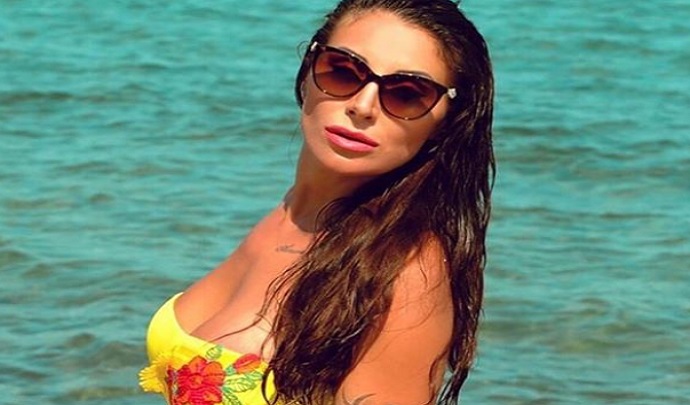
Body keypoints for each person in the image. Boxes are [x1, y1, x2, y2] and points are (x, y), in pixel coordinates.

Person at [139, 0, 494, 404]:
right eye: (343, 71)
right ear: (308, 71)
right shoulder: (291, 214)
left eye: (407, 94)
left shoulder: (405, 272)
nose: (362, 106)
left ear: (446, 123)